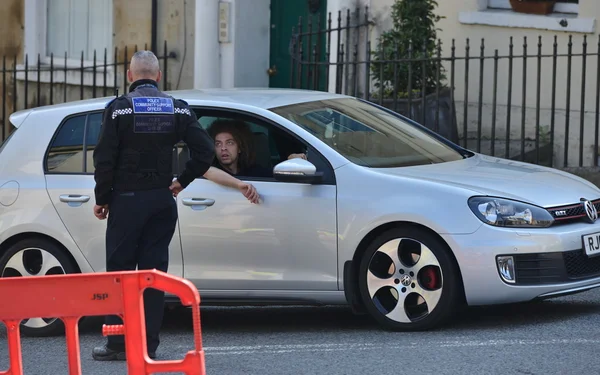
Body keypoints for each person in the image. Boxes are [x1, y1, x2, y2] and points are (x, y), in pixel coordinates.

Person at [91, 50, 259, 362]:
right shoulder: (177, 108)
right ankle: (149, 346)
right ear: (158, 77)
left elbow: (103, 158)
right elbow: (205, 149)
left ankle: (117, 343)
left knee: (120, 273)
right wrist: (182, 181)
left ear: (130, 76)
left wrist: (102, 198)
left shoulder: (117, 109)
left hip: (126, 201)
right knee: (154, 274)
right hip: (161, 200)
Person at [207, 119, 306, 178]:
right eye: (218, 144)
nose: (223, 148)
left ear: (240, 148)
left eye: (230, 143)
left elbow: (275, 175)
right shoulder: (210, 173)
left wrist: (291, 161)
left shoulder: (253, 171)